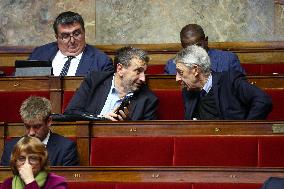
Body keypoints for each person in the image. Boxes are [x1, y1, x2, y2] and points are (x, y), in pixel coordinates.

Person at [175, 45, 272, 120]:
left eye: (180, 72)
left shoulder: (230, 80)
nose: (177, 78)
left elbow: (263, 100)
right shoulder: (188, 90)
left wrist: (247, 129)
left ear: (195, 70)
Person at [64, 46, 158, 121]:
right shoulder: (94, 81)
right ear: (120, 69)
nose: (143, 78)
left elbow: (147, 137)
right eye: (138, 71)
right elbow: (71, 113)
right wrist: (100, 118)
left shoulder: (148, 99)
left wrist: (127, 125)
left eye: (144, 72)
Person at [29, 11, 113, 76]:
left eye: (76, 34)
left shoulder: (101, 61)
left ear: (84, 32)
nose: (72, 41)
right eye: (65, 36)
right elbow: (21, 83)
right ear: (56, 37)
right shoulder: (39, 54)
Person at [1, 96, 79, 166]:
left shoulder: (65, 148)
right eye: (27, 126)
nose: (31, 133)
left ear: (49, 121)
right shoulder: (11, 148)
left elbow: (67, 181)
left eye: (37, 126)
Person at [165, 24, 245, 74]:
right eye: (189, 48)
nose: (194, 51)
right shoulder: (172, 65)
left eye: (198, 45)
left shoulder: (228, 60)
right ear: (183, 47)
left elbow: (242, 90)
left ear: (206, 41)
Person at [1, 136, 67, 189]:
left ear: (42, 161)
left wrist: (30, 181)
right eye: (21, 158)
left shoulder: (57, 182)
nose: (27, 164)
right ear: (15, 162)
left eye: (33, 158)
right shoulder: (7, 184)